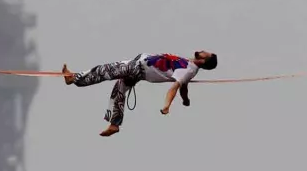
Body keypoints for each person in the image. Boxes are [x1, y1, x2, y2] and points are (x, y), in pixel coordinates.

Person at [61, 51, 218, 136]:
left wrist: (167, 105)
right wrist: (186, 100)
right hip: (138, 66)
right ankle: (114, 125)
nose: (202, 51)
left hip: (138, 68)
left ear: (204, 61)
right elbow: (183, 87)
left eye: (206, 53)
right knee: (119, 91)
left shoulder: (188, 70)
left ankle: (74, 78)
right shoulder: (189, 66)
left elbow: (176, 87)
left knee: (105, 70)